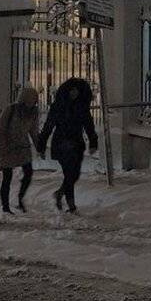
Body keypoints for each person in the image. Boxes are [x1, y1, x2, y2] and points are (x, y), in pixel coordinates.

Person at [37, 77, 98, 213]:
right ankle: (71, 205)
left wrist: (93, 142)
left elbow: (89, 125)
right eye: (72, 90)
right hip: (62, 143)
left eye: (76, 90)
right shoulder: (58, 106)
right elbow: (48, 126)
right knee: (69, 173)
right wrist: (41, 145)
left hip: (77, 144)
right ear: (67, 91)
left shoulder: (81, 107)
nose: (74, 93)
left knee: (74, 174)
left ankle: (60, 193)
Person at [0, 86, 40, 214]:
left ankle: (20, 198)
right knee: (7, 177)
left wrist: (38, 147)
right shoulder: (11, 110)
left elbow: (34, 131)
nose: (32, 104)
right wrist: (3, 148)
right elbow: (0, 129)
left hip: (22, 147)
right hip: (8, 147)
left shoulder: (33, 113)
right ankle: (5, 207)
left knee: (28, 172)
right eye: (31, 101)